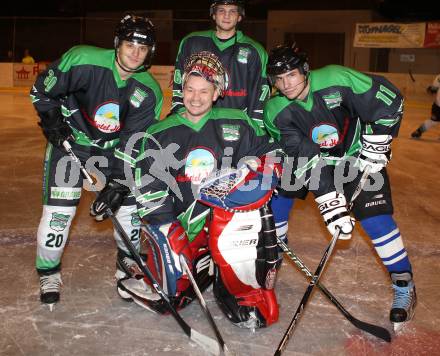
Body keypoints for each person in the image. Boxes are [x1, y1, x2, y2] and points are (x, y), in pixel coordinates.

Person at [117, 51, 283, 329]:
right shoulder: (160, 132)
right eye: (190, 90)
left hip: (226, 219)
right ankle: (186, 263)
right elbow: (148, 183)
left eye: (204, 91)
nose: (195, 97)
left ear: (217, 92)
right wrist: (166, 226)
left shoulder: (238, 122)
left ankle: (243, 289)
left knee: (241, 263)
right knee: (173, 295)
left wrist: (262, 168)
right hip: (186, 225)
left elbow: (273, 152)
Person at [264, 44, 416, 331]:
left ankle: (403, 283)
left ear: (305, 71)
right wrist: (328, 198)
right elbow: (302, 156)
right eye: (279, 79)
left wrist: (379, 138)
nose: (286, 84)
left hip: (359, 157)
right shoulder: (276, 110)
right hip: (317, 163)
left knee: (377, 220)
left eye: (292, 75)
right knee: (279, 195)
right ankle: (273, 256)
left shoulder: (338, 78)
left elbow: (390, 99)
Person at [31, 13, 163, 309]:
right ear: (118, 43)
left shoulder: (149, 90)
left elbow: (133, 141)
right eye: (130, 45)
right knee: (58, 215)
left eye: (143, 49)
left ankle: (128, 264)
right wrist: (51, 119)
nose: (136, 53)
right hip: (71, 146)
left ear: (150, 53)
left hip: (112, 153)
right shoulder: (82, 60)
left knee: (128, 211)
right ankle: (48, 272)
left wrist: (117, 180)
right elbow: (42, 91)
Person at [171, 0, 270, 128]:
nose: (226, 16)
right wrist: (179, 112)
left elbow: (259, 95)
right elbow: (179, 82)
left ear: (240, 16)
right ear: (213, 14)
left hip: (235, 127)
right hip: (196, 122)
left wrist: (256, 129)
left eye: (232, 11)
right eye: (221, 10)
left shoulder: (255, 51)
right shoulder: (191, 42)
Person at [411, 74, 440, 138]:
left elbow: (433, 89)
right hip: (438, 105)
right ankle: (419, 131)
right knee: (433, 121)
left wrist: (431, 89)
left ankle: (418, 132)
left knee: (433, 121)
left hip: (438, 105)